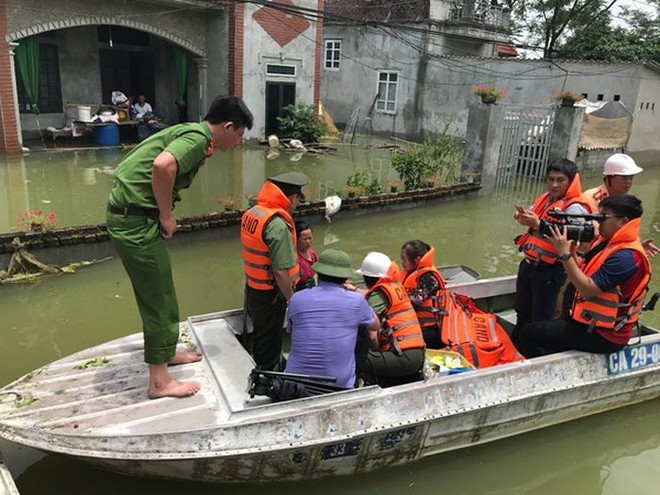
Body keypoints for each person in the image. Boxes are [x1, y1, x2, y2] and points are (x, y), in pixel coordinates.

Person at [106, 95, 253, 399]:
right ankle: (159, 383)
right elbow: (163, 165)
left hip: (134, 218)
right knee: (157, 296)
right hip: (135, 223)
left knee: (163, 288)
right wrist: (166, 215)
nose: (239, 143)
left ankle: (166, 351)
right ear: (227, 127)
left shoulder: (192, 133)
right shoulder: (197, 138)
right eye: (239, 135)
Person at [515, 195, 652, 358]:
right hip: (588, 322)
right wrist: (571, 252)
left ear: (623, 222)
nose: (597, 224)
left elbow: (586, 289)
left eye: (603, 219)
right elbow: (582, 267)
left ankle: (549, 371)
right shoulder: (608, 243)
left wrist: (564, 254)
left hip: (605, 335)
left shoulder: (626, 257)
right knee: (538, 328)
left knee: (527, 334)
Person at [512, 159, 591, 341]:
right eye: (551, 179)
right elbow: (532, 214)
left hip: (550, 270)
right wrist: (522, 216)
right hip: (529, 265)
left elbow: (577, 237)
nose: (554, 184)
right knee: (522, 310)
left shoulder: (575, 207)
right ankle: (517, 346)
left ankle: (537, 353)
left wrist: (539, 224)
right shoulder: (545, 198)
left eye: (560, 180)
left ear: (570, 181)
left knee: (542, 317)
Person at [241, 171, 309, 371]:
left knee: (261, 335)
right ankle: (268, 379)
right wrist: (292, 300)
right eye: (297, 200)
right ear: (292, 198)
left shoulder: (254, 213)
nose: (297, 205)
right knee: (270, 341)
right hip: (271, 295)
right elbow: (280, 271)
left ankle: (269, 367)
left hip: (253, 288)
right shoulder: (278, 226)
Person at [285, 249, 380, 388]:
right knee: (363, 327)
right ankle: (358, 378)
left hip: (294, 383)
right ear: (345, 278)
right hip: (338, 384)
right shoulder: (356, 301)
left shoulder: (296, 298)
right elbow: (375, 326)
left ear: (318, 273)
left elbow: (292, 331)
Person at [357, 251, 426, 386]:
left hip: (404, 357)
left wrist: (377, 353)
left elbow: (372, 336)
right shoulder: (394, 287)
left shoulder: (379, 294)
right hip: (418, 354)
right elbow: (369, 295)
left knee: (355, 357)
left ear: (366, 278)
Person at [583, 153, 659, 256]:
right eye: (624, 178)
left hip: (612, 252)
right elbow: (599, 234)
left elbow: (627, 230)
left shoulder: (627, 202)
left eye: (630, 178)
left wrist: (637, 246)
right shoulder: (590, 198)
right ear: (609, 178)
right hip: (590, 254)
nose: (628, 182)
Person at [398, 240, 446, 349]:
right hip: (413, 325)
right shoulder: (409, 274)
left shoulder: (429, 279)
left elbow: (412, 303)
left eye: (404, 259)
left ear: (417, 260)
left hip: (429, 331)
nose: (402, 262)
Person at [294, 220, 318, 291]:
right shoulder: (293, 258)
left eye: (310, 238)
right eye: (304, 239)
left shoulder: (312, 253)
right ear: (296, 239)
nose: (308, 242)